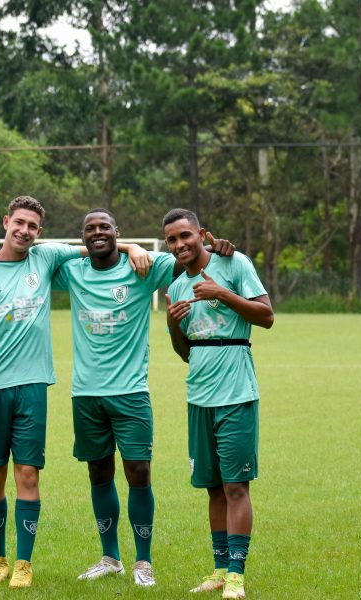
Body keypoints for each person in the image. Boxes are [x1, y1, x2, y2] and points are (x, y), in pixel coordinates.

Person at [0, 197, 149, 589]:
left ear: (40, 232)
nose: (25, 231)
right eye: (19, 223)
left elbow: (96, 245)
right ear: (5, 222)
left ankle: (23, 563)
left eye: (32, 226)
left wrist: (133, 247)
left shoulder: (45, 257)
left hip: (33, 386)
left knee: (28, 474)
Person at [51, 208, 234, 587]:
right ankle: (110, 557)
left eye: (105, 227)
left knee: (139, 473)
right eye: (90, 229)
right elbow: (34, 257)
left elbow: (193, 258)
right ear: (82, 237)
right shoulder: (72, 271)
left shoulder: (145, 267)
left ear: (118, 231)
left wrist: (220, 247)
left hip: (131, 393)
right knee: (98, 472)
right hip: (86, 393)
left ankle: (143, 562)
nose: (97, 233)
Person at [162, 208, 274, 600]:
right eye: (172, 240)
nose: (179, 245)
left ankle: (237, 576)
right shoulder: (176, 289)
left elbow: (267, 316)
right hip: (199, 397)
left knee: (235, 487)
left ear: (201, 233)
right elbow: (186, 353)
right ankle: (219, 569)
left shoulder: (233, 263)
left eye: (185, 236)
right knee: (212, 488)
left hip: (236, 394)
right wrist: (173, 325)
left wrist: (222, 294)